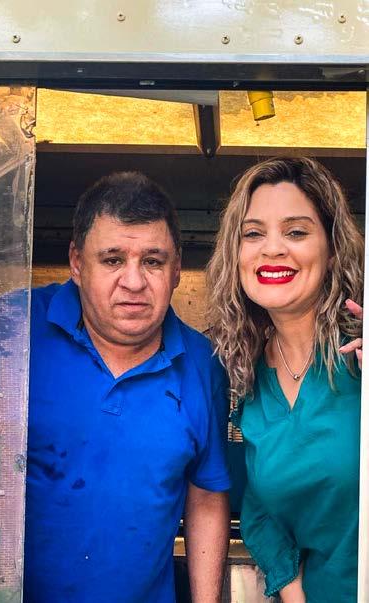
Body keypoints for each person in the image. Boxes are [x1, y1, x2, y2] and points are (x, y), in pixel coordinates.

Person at [24, 172, 231, 602]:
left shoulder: (202, 363)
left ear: (177, 269)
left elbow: (206, 494)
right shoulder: (15, 329)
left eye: (153, 261)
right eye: (113, 260)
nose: (134, 282)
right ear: (77, 263)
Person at [206, 156, 363, 602]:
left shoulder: (361, 351)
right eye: (253, 234)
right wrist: (295, 595)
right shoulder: (246, 374)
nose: (272, 249)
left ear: (332, 249)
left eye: (296, 232)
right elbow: (259, 509)